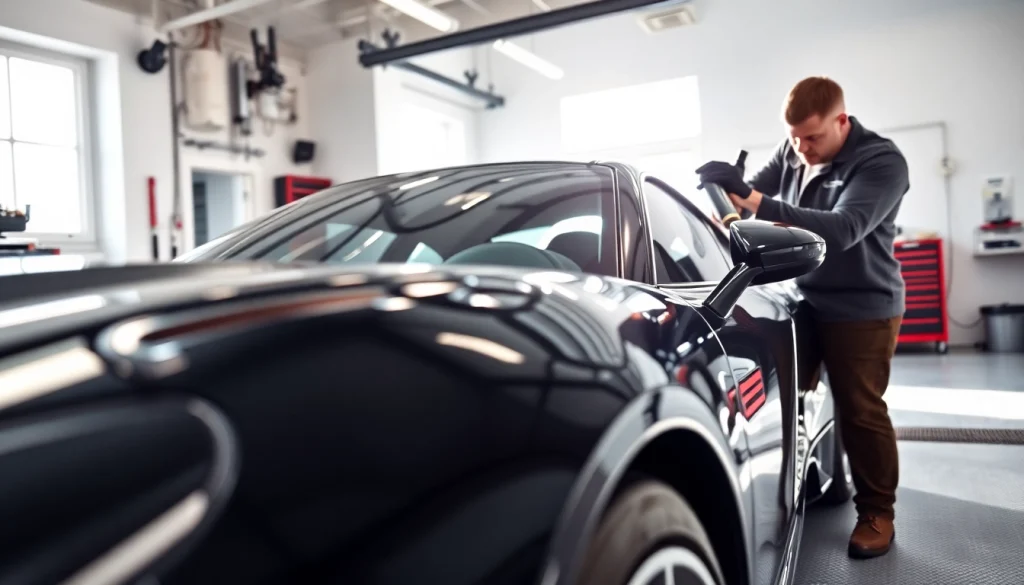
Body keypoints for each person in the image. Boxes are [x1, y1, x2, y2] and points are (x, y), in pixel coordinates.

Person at [695, 76, 909, 560]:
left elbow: (845, 228)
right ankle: (787, 482)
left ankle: (878, 511)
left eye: (812, 138)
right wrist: (723, 197)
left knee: (861, 409)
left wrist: (748, 198)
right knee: (782, 387)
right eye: (794, 138)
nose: (802, 149)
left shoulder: (881, 161)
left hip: (864, 306)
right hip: (807, 295)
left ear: (841, 121)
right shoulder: (794, 149)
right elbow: (748, 201)